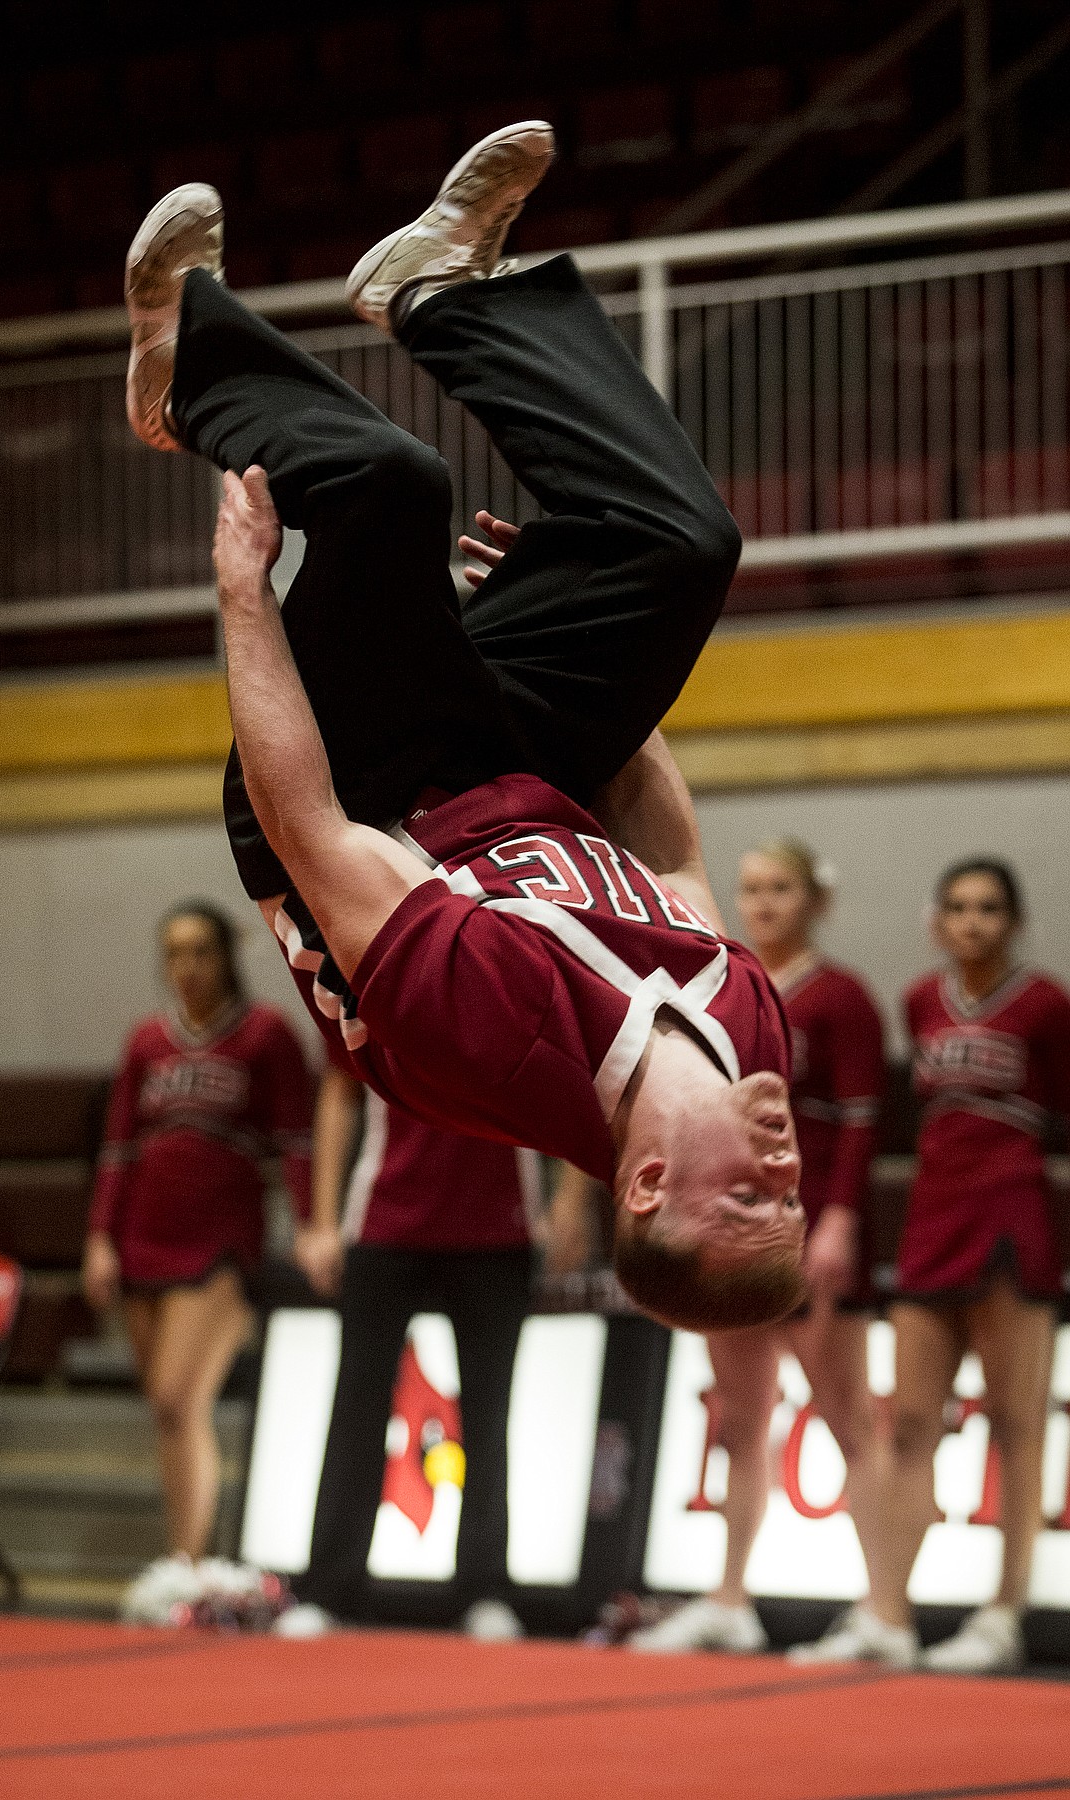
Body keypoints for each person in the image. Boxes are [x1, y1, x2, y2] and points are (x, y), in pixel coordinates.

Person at [122, 121, 807, 1335]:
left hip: (353, 790)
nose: (786, 1170)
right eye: (790, 1199)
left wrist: (246, 597)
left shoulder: (497, 1043)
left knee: (390, 491)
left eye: (748, 1194)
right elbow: (674, 862)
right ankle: (439, 289)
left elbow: (310, 829)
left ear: (646, 1185)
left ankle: (188, 369)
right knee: (680, 550)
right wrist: (592, 652)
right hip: (521, 762)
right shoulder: (754, 1038)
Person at [800, 859, 1069, 1672]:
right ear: (935, 919)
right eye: (956, 907)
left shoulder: (1049, 1007)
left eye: (989, 908)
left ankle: (1002, 1613)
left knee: (1016, 1424)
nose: (971, 922)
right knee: (908, 1421)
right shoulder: (919, 1001)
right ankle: (887, 1613)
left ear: (1013, 921)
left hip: (1013, 1217)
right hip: (931, 1217)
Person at [630, 841, 898, 1656]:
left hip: (810, 1226)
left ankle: (886, 1612)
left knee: (847, 1419)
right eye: (750, 888)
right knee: (743, 1422)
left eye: (781, 887)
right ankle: (729, 1597)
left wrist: (840, 1221)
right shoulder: (721, 982)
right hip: (730, 1228)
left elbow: (860, 1119)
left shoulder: (842, 996)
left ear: (816, 898)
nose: (763, 902)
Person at [279, 1057, 596, 1641]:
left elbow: (572, 1081)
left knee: (487, 1417)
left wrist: (571, 1200)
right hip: (385, 1219)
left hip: (497, 1225)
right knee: (357, 1411)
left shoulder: (522, 978)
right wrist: (322, 1220)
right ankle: (327, 1587)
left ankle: (484, 1589)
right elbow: (339, 1091)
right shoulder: (368, 972)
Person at [82, 901, 314, 1619]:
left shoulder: (266, 1034)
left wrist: (311, 1224)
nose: (188, 968)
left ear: (228, 955)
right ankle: (185, 1557)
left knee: (183, 1399)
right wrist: (99, 1239)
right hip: (144, 1236)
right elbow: (117, 1149)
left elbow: (297, 1142)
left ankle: (187, 1565)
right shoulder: (145, 1043)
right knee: (167, 1411)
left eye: (202, 952)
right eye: (175, 953)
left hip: (219, 1244)